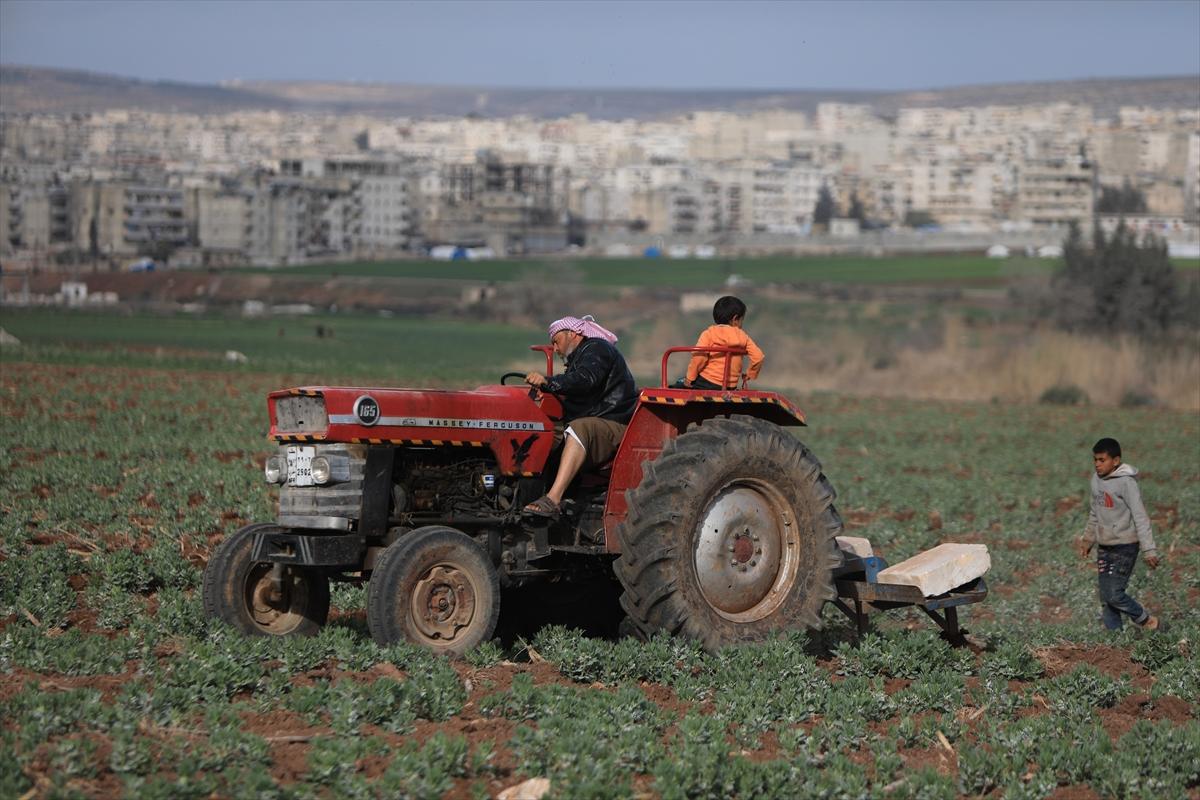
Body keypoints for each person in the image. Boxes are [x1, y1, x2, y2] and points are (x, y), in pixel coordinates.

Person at [523, 315, 636, 519]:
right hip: (596, 417)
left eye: (556, 341)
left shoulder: (597, 348)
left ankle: (553, 499)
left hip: (614, 420)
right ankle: (527, 492)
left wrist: (549, 382)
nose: (555, 349)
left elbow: (585, 379)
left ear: (573, 334)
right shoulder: (580, 357)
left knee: (578, 428)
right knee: (544, 431)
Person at [1077, 437, 1160, 631]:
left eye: (1102, 460)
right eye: (1095, 460)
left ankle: (1146, 620)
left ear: (1115, 461)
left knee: (1114, 594)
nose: (1097, 464)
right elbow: (1094, 512)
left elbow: (1140, 516)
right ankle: (1114, 638)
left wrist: (1149, 549)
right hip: (1105, 546)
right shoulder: (1096, 481)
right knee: (1106, 597)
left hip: (1125, 546)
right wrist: (1088, 539)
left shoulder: (1126, 483)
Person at [678, 295, 765, 390]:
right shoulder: (744, 337)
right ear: (735, 319)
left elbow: (699, 358)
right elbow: (758, 357)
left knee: (677, 385)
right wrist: (750, 374)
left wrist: (689, 378)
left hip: (707, 382)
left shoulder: (709, 333)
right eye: (742, 320)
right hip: (730, 387)